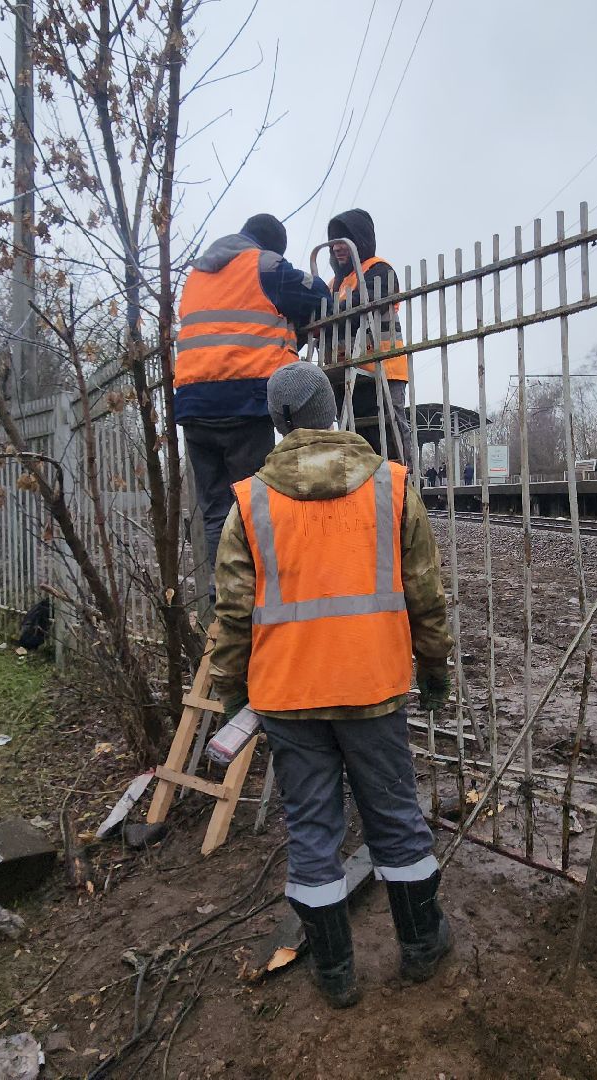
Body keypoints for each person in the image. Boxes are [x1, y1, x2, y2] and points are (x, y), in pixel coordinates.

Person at [209, 362, 454, 1008]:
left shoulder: (249, 503)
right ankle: (423, 945)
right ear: (331, 410)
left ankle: (337, 973)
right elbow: (426, 597)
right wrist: (433, 670)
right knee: (396, 821)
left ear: (279, 423)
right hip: (373, 689)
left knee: (313, 832)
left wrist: (235, 691)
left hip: (288, 699)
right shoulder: (393, 489)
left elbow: (233, 615)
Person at [175, 213, 332, 582]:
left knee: (216, 512)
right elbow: (318, 294)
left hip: (194, 405)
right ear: (272, 246)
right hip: (243, 402)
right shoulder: (265, 264)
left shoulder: (196, 275)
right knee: (253, 505)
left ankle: (223, 602)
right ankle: (259, 596)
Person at [324, 208, 412, 464]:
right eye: (333, 241)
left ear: (359, 239)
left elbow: (364, 301)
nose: (337, 247)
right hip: (345, 371)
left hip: (383, 367)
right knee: (353, 435)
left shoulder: (379, 270)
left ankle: (406, 486)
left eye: (344, 239)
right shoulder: (332, 285)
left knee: (392, 431)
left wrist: (333, 313)